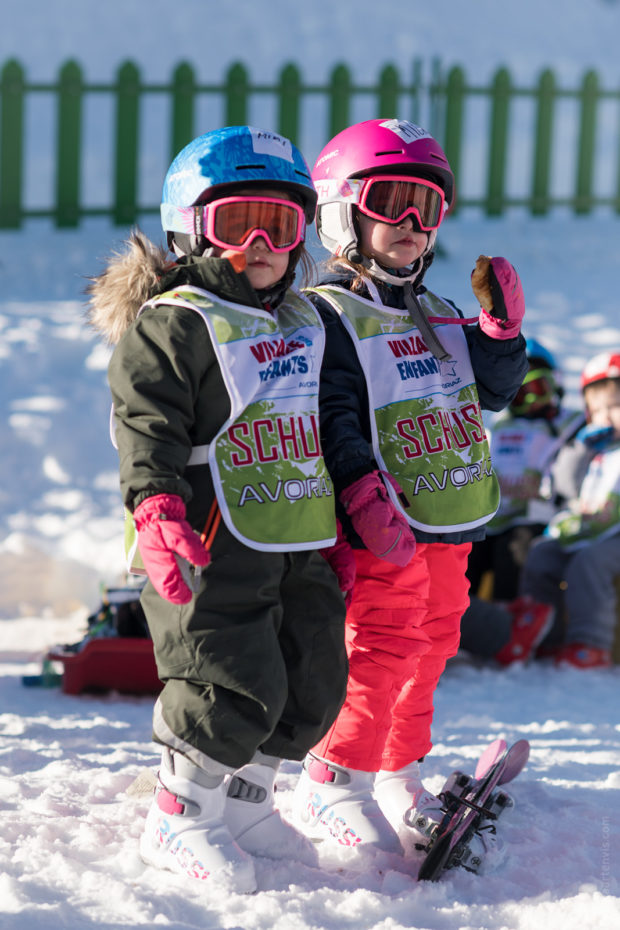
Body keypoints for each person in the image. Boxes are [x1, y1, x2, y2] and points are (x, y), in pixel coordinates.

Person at [87, 125, 349, 893]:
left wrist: (348, 508)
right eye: (236, 224)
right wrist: (157, 506)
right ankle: (180, 812)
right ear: (190, 230)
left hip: (294, 528)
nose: (261, 242)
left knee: (312, 670)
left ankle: (246, 802)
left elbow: (326, 418)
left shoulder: (303, 319)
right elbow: (146, 421)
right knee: (226, 675)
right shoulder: (176, 322)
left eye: (282, 223)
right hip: (207, 535)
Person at [290, 118, 528, 863]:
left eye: (426, 207)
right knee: (384, 645)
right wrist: (361, 488)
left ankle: (398, 768)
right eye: (390, 201)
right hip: (379, 519)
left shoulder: (431, 311)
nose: (411, 224)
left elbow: (489, 392)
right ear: (340, 212)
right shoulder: (329, 313)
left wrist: (498, 333)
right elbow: (328, 409)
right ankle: (337, 772)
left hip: (442, 515)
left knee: (434, 639)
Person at [459, 338, 585, 665]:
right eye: (519, 393)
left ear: (555, 386)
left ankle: (511, 624)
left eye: (538, 389)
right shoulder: (501, 428)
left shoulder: (570, 424)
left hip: (542, 514)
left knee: (515, 550)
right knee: (470, 553)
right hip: (496, 515)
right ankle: (467, 625)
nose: (529, 401)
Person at [519, 350, 620, 668]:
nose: (606, 417)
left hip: (614, 538)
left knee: (587, 563)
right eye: (598, 409)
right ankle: (545, 637)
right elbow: (565, 487)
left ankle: (590, 643)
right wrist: (580, 450)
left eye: (615, 407)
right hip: (593, 528)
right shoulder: (595, 449)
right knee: (542, 555)